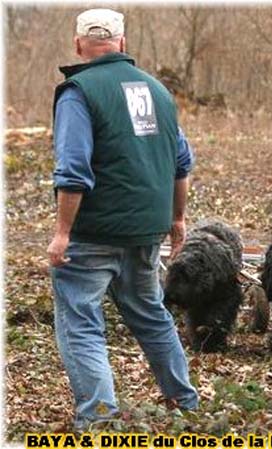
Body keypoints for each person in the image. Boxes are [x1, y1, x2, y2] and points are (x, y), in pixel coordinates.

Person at [47, 8, 199, 431]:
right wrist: (178, 220)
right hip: (146, 231)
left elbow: (73, 169)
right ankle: (186, 404)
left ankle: (98, 421)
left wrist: (62, 233)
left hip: (93, 234)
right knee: (150, 314)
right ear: (123, 43)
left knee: (81, 323)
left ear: (78, 45)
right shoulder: (160, 92)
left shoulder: (78, 91)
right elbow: (181, 163)